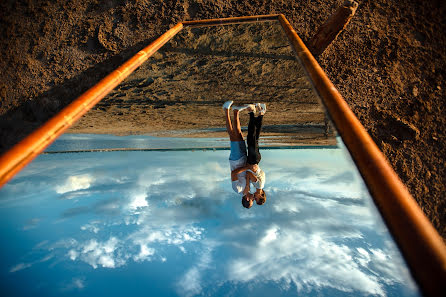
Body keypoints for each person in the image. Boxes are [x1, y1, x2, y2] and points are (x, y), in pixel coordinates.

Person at [223, 101, 266, 208]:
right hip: (243, 158)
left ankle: (226, 110)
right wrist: (247, 182)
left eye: (252, 200)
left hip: (236, 160)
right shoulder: (248, 188)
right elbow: (249, 174)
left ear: (247, 199)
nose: (253, 198)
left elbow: (234, 173)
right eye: (254, 199)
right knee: (239, 134)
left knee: (233, 136)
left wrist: (246, 167)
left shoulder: (237, 189)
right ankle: (236, 111)